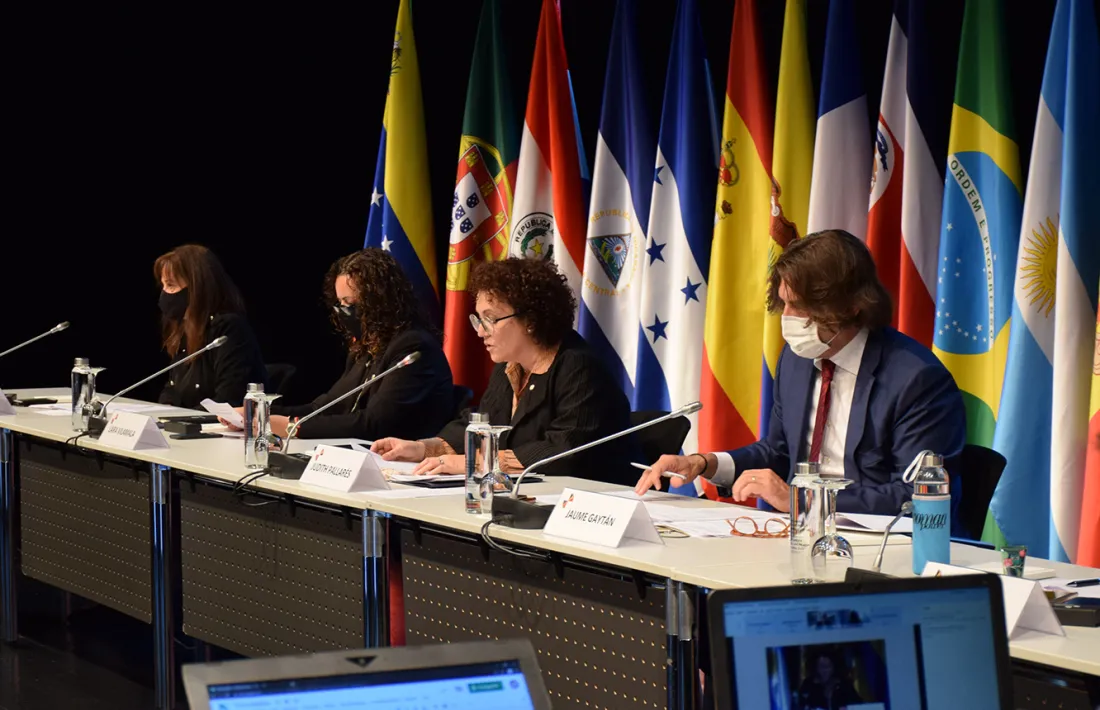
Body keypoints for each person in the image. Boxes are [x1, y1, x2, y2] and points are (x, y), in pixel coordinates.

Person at [635, 229, 966, 519]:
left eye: (801, 307)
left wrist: (803, 500)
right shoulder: (796, 360)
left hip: (880, 550)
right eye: (784, 304)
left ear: (851, 306)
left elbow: (916, 497)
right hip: (801, 535)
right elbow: (779, 452)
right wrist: (703, 463)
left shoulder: (917, 380)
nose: (787, 319)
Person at [372, 257, 635, 486]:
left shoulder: (577, 367)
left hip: (590, 506)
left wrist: (472, 463)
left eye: (491, 319)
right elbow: (478, 424)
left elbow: (562, 452)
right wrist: (422, 448)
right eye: (478, 319)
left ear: (531, 321)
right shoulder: (509, 367)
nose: (480, 331)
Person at [261, 248, 454, 440]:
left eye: (350, 303)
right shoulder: (366, 348)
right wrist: (262, 413)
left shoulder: (413, 347)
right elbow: (324, 407)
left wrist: (294, 427)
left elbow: (373, 424)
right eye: (340, 304)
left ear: (379, 301)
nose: (344, 312)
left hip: (403, 462)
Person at [155, 244, 267, 409]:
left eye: (171, 285)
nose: (164, 293)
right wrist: (163, 410)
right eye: (163, 285)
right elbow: (173, 387)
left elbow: (228, 398)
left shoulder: (228, 329)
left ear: (196, 288)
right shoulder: (185, 328)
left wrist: (180, 419)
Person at [796, 650, 863, 710]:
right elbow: (800, 704)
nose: (825, 670)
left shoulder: (844, 684)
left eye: (828, 666)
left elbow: (858, 704)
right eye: (822, 667)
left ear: (834, 667)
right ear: (816, 668)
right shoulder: (808, 685)